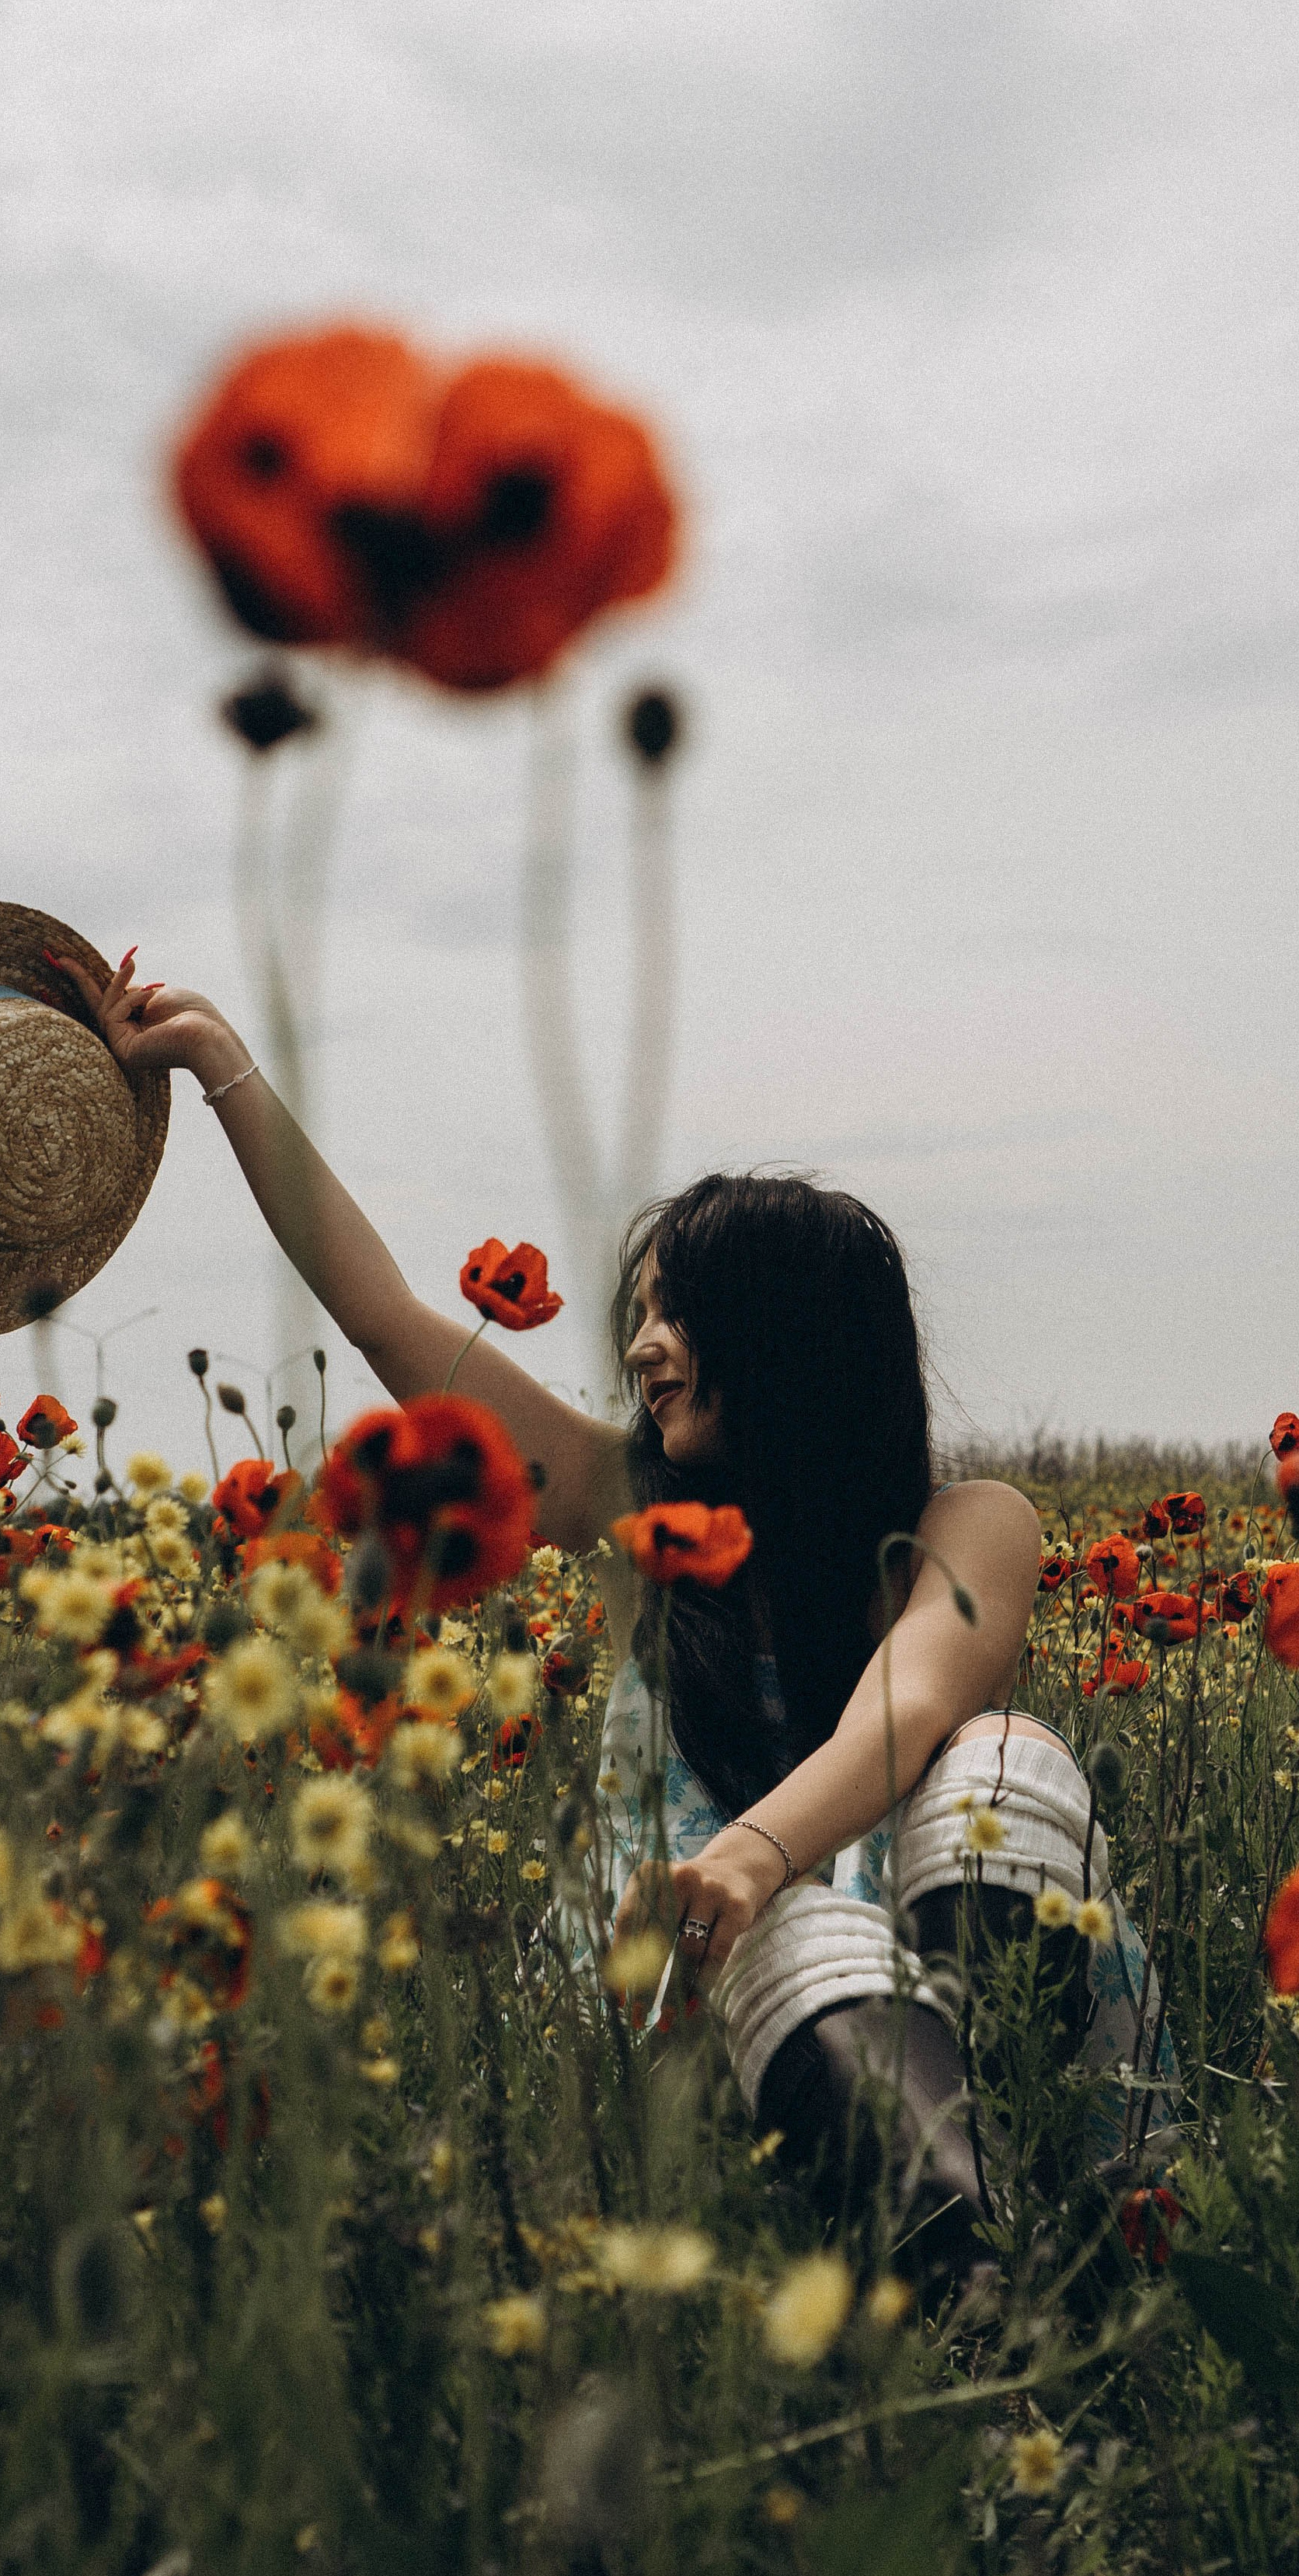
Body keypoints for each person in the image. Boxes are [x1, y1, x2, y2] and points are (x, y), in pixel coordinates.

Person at [57, 952, 1137, 2280]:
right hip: (709, 1990)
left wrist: (750, 1850)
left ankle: (1039, 2176)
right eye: (640, 1316)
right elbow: (388, 1315)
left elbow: (912, 1704)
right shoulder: (628, 1510)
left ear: (790, 1334)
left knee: (1003, 1770)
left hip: (908, 1937)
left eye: (679, 1313)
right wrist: (221, 1069)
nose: (642, 1349)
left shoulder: (971, 1523)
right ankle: (968, 2275)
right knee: (796, 1931)